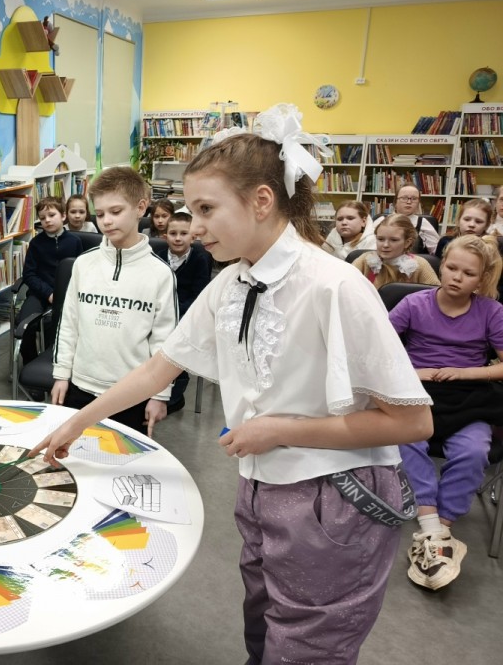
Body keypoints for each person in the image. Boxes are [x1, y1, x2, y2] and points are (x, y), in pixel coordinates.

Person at [31, 104, 433, 665]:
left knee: (307, 645)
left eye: (206, 209)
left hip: (335, 496)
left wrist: (279, 430)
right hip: (262, 484)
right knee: (264, 623)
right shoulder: (233, 282)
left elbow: (412, 421)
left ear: (261, 201)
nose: (193, 226)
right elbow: (158, 368)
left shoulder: (334, 286)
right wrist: (77, 421)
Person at [389, 235, 503, 590]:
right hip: (416, 390)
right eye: (451, 268)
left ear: (482, 278)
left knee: (474, 451)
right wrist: (416, 372)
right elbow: (379, 350)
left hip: (467, 394)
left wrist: (465, 372)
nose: (457, 277)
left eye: (468, 274)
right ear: (442, 266)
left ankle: (440, 530)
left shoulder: (491, 311)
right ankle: (432, 528)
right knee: (407, 440)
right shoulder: (413, 303)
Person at [51, 167, 178, 436]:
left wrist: (161, 394)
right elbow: (69, 323)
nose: (106, 221)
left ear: (140, 207)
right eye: (99, 214)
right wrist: (61, 374)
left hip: (132, 393)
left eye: (116, 211)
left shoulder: (160, 273)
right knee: (74, 455)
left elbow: (164, 339)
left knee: (124, 457)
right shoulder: (83, 264)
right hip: (81, 386)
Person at [18, 196, 83, 363]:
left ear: (63, 216)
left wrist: (63, 294)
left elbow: (81, 272)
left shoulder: (75, 242)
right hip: (40, 293)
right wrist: (48, 294)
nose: (47, 220)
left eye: (52, 215)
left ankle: (53, 363)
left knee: (53, 324)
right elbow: (29, 275)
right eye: (42, 218)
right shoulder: (35, 243)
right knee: (24, 325)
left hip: (68, 295)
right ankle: (31, 364)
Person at [165, 210, 212, 411]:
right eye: (173, 233)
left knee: (177, 349)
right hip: (161, 313)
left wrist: (174, 312)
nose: (178, 238)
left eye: (183, 234)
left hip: (185, 315)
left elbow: (198, 297)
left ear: (193, 237)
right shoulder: (157, 257)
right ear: (165, 236)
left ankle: (175, 397)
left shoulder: (200, 259)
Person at [351, 214, 440, 289]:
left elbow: (435, 295)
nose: (385, 245)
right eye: (380, 239)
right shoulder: (365, 260)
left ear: (407, 242)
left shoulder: (420, 265)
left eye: (394, 240)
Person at [373, 184, 438, 254]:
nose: (409, 202)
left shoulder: (423, 223)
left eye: (414, 199)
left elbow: (437, 252)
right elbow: (370, 248)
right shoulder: (381, 220)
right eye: (404, 198)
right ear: (395, 201)